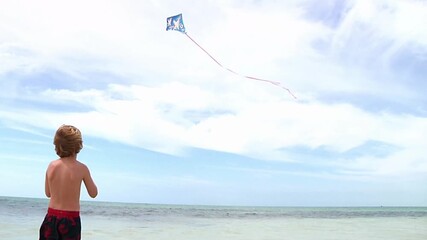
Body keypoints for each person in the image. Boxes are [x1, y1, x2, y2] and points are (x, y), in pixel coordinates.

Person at [39, 124, 98, 240]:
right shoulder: (82, 168)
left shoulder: (51, 166)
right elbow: (93, 193)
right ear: (78, 146)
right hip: (71, 220)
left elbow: (48, 193)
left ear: (57, 146)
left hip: (51, 218)